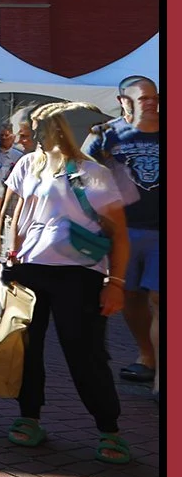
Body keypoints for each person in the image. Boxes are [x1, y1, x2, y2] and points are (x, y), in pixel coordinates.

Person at [0, 101, 131, 463]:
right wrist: (9, 252)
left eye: (39, 126)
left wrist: (115, 282)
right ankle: (29, 416)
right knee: (25, 348)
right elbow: (17, 211)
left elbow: (119, 235)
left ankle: (108, 429)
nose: (32, 133)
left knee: (85, 353)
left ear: (60, 129)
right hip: (29, 270)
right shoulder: (27, 164)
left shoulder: (94, 172)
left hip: (80, 275)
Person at [85, 76, 160, 397]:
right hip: (124, 233)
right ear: (123, 101)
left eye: (155, 97)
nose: (152, 102)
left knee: (161, 300)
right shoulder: (106, 136)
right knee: (132, 298)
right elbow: (80, 176)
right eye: (143, 98)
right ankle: (148, 356)